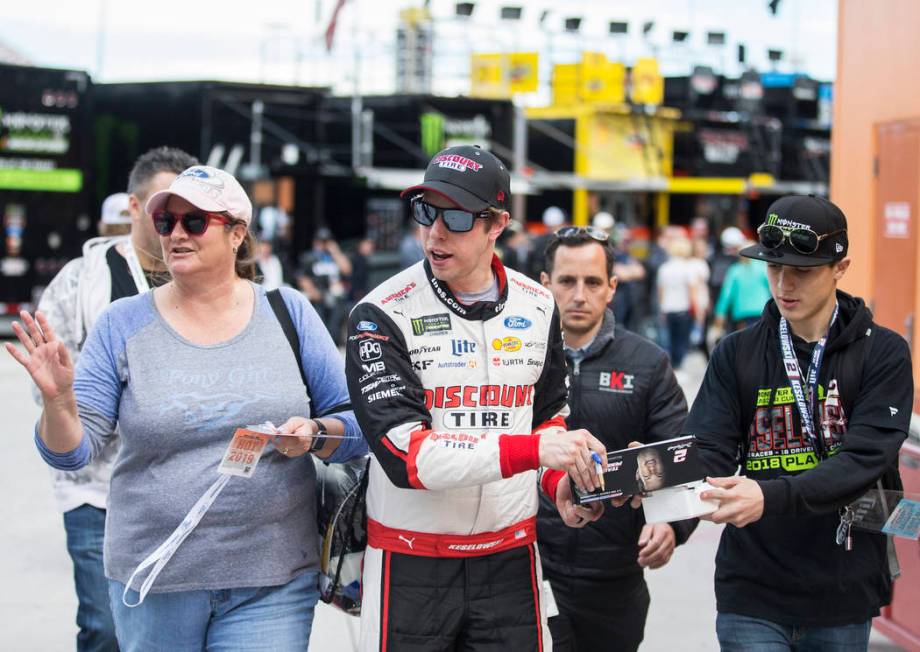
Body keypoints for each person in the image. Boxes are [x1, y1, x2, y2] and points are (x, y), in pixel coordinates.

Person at [9, 165, 366, 651]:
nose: (176, 234)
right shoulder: (122, 323)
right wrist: (58, 402)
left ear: (237, 233)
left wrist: (315, 432)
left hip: (272, 579)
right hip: (155, 579)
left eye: (194, 222)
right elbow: (71, 453)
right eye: (166, 223)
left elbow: (356, 425)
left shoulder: (289, 312)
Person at [345, 145, 608, 651]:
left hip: (510, 559)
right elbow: (407, 457)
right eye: (426, 212)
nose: (435, 232)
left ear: (497, 224)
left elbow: (548, 417)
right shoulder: (379, 314)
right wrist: (534, 454)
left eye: (458, 217)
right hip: (410, 562)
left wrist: (561, 485)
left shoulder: (538, 304)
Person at [683, 195, 912, 650]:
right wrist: (644, 475)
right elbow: (707, 450)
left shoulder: (882, 353)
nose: (784, 284)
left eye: (802, 271)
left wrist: (768, 495)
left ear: (840, 268)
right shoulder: (736, 353)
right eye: (773, 268)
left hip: (842, 588)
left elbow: (864, 460)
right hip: (752, 589)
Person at [32, 146, 197, 652]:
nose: (175, 226)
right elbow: (48, 384)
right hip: (95, 487)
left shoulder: (205, 280)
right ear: (133, 207)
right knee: (105, 628)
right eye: (162, 212)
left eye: (188, 214)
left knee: (166, 632)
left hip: (181, 486)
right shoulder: (81, 282)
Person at [537, 226, 693, 652]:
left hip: (613, 576)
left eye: (592, 282)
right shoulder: (515, 357)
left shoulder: (646, 362)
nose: (579, 295)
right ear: (545, 284)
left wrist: (671, 523)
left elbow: (680, 456)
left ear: (612, 287)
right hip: (525, 569)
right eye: (567, 281)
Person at [712, 242, 772, 333]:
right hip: (762, 310)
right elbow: (772, 288)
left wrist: (720, 312)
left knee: (746, 341)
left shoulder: (735, 270)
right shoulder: (763, 267)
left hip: (742, 313)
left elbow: (726, 293)